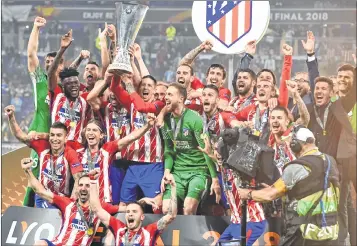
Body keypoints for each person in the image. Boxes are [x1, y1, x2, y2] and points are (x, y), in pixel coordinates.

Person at [237, 127, 340, 246]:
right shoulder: (330, 161)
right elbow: (311, 187)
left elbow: (270, 194)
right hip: (330, 231)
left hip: (303, 234)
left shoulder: (296, 167)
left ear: (296, 144)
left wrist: (248, 194)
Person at [20, 158, 125, 246]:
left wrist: (141, 203)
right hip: (58, 244)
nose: (83, 188)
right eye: (81, 185)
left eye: (87, 186)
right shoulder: (67, 203)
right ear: (77, 188)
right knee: (40, 243)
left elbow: (125, 209)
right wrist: (27, 171)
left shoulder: (100, 207)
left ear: (93, 188)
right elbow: (41, 191)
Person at [5, 105, 83, 208]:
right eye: (52, 135)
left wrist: (71, 205)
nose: (55, 139)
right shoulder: (42, 146)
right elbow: (21, 136)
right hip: (43, 198)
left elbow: (78, 179)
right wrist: (11, 117)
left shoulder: (70, 153)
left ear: (65, 138)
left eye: (59, 135)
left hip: (62, 200)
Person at [160, 83, 221, 215]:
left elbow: (206, 151)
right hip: (178, 172)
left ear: (181, 99)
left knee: (188, 208)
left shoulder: (195, 119)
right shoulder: (165, 121)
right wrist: (167, 172)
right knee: (166, 209)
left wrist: (214, 179)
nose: (166, 97)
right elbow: (168, 149)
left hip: (198, 172)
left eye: (170, 94)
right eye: (166, 94)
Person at [25, 16, 65, 207]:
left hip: (63, 144)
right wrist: (36, 28)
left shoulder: (69, 87)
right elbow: (31, 54)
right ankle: (28, 211)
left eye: (54, 61)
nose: (50, 64)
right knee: (35, 178)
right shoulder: (40, 80)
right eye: (47, 62)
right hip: (41, 143)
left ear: (62, 65)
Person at [89, 169, 177, 246]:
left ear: (142, 217)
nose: (130, 214)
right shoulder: (118, 228)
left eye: (134, 211)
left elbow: (171, 215)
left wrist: (173, 187)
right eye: (128, 212)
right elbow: (96, 209)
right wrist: (92, 182)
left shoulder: (150, 231)